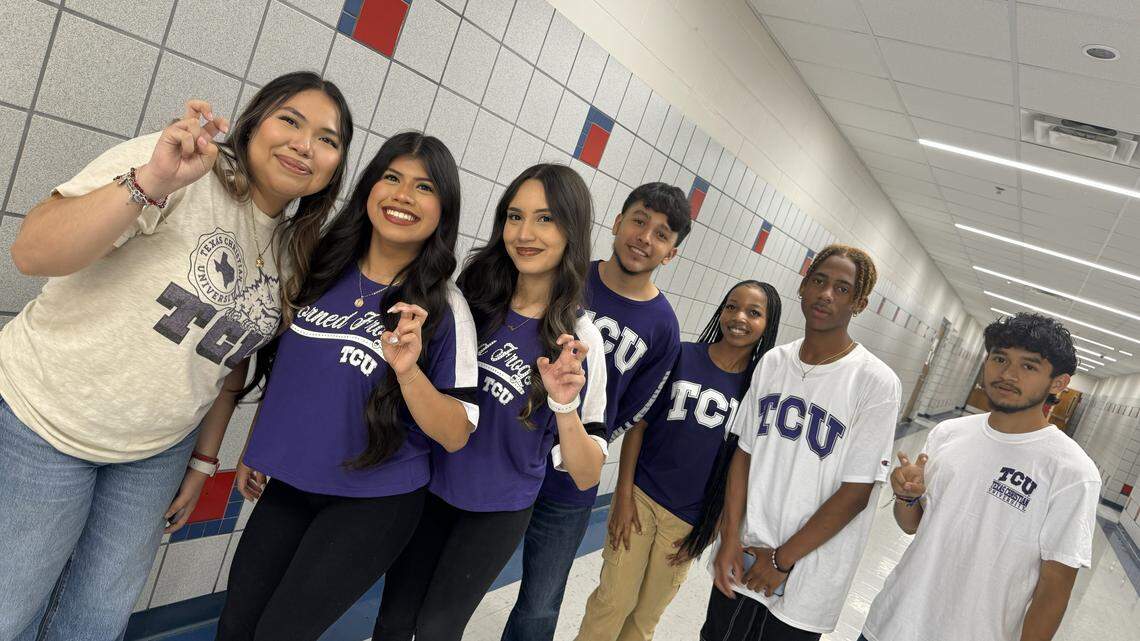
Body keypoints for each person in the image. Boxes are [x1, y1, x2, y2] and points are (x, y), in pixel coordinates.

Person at [0, 72, 351, 641]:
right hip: (46, 421)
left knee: (95, 620)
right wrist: (152, 180)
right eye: (290, 120)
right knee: (8, 608)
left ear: (335, 166)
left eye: (328, 139)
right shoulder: (178, 166)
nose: (304, 144)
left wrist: (203, 460)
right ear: (252, 122)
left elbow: (229, 356)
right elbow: (32, 251)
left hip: (153, 451)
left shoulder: (295, 251)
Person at [214, 132, 478, 641]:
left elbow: (455, 434)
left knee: (279, 634)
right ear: (369, 188)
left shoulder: (443, 306)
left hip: (374, 501)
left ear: (443, 211)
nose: (403, 195)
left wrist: (407, 370)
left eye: (424, 187)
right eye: (392, 178)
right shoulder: (319, 266)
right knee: (236, 626)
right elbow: (292, 373)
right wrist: (259, 446)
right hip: (291, 484)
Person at [372, 164, 608, 641]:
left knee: (439, 627)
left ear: (571, 230)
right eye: (514, 216)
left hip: (497, 508)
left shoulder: (579, 337)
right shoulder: (470, 302)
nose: (524, 233)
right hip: (427, 485)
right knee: (394, 619)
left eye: (544, 219)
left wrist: (563, 406)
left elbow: (586, 474)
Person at [502, 182, 691, 641]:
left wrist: (584, 438)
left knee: (541, 601)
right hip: (510, 455)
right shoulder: (567, 277)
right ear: (617, 223)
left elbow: (636, 406)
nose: (645, 237)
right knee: (461, 574)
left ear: (671, 253)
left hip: (571, 479)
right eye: (639, 220)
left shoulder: (663, 326)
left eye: (662, 234)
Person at [860, 312, 1099, 641]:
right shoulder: (948, 433)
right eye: (1000, 358)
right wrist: (907, 495)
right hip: (890, 623)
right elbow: (912, 524)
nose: (1008, 374)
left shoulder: (1072, 471)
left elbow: (1054, 590)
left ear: (1058, 383)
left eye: (1028, 366)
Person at [705, 244, 902, 641]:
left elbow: (857, 492)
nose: (826, 294)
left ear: (859, 304)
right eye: (819, 281)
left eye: (843, 289)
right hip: (741, 556)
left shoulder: (875, 383)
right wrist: (728, 540)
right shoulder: (773, 362)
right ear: (803, 286)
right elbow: (742, 455)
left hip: (806, 579)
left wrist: (781, 559)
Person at [575, 280, 782, 641]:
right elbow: (639, 426)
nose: (739, 318)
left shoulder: (758, 390)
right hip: (640, 499)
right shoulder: (683, 356)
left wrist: (710, 530)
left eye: (754, 312)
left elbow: (742, 467)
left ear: (769, 323)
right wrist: (622, 496)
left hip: (689, 522)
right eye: (731, 307)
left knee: (645, 617)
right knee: (613, 601)